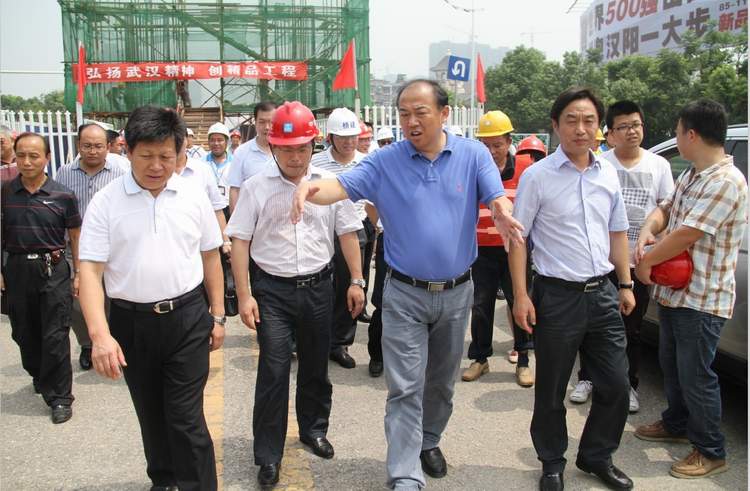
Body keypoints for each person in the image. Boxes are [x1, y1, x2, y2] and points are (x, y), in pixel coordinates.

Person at [290, 79, 521, 489]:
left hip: (456, 294)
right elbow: (339, 186)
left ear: (444, 113)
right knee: (405, 388)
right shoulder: (386, 160)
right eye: (404, 114)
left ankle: (429, 440)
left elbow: (495, 195)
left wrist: (501, 209)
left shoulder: (472, 155)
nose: (411, 121)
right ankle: (404, 473)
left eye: (420, 112)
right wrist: (309, 187)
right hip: (404, 294)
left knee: (441, 385)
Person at [78, 106, 225, 491]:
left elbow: (211, 255)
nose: (156, 166)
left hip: (187, 319)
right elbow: (90, 272)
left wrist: (218, 314)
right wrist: (100, 336)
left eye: (165, 156)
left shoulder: (192, 196)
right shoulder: (106, 202)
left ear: (179, 153)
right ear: (127, 151)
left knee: (185, 417)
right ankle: (163, 480)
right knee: (151, 414)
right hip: (132, 323)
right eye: (146, 156)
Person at [226, 101, 364, 488]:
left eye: (302, 148)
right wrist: (245, 295)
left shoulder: (328, 184)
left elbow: (347, 232)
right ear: (272, 146)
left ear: (313, 146)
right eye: (287, 149)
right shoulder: (256, 187)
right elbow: (240, 241)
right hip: (273, 292)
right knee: (273, 371)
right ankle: (268, 454)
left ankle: (313, 429)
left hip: (319, 288)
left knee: (316, 365)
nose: (295, 157)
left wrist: (356, 279)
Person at [509, 87, 635, 491]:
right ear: (556, 125)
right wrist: (521, 296)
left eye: (589, 121)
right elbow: (518, 239)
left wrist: (626, 283)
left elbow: (617, 231)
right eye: (571, 120)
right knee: (551, 388)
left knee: (616, 384)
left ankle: (597, 455)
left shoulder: (608, 173)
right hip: (557, 296)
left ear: (599, 127)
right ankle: (551, 461)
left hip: (602, 293)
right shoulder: (538, 176)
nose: (581, 129)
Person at [634, 99, 747, 479]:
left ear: (692, 135)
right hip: (675, 293)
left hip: (701, 299)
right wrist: (647, 230)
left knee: (696, 375)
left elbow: (686, 234)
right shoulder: (694, 175)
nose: (677, 137)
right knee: (673, 366)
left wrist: (646, 261)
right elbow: (666, 209)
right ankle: (677, 423)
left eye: (678, 131)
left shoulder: (726, 182)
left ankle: (711, 450)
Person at [570, 100, 674, 413]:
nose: (632, 132)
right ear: (611, 134)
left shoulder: (659, 166)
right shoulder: (600, 165)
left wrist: (656, 250)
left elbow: (666, 211)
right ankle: (587, 378)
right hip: (600, 264)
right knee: (592, 325)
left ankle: (629, 384)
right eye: (624, 127)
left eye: (636, 125)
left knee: (632, 328)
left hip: (638, 264)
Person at [1, 132, 81, 424]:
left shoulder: (63, 195)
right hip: (17, 270)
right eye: (21, 155)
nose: (27, 161)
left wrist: (79, 273)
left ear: (47, 158)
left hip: (53, 270)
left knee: (55, 334)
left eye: (34, 155)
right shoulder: (5, 192)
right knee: (24, 332)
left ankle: (60, 397)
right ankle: (39, 373)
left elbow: (75, 236)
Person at [462, 110, 535, 387]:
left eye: (497, 144)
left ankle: (524, 359)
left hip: (515, 249)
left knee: (520, 300)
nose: (492, 151)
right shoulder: (473, 170)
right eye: (486, 145)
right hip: (481, 250)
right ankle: (480, 358)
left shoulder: (526, 169)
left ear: (509, 141)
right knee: (480, 305)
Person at [55, 123, 126, 371]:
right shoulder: (64, 173)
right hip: (76, 246)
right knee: (78, 300)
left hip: (113, 246)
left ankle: (115, 341)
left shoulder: (121, 171)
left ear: (108, 147)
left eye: (98, 146)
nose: (93, 151)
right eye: (87, 146)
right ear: (78, 146)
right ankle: (87, 344)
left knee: (114, 296)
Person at [310, 107, 372, 368]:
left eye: (353, 137)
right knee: (321, 286)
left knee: (352, 285)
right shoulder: (316, 163)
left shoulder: (368, 162)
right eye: (343, 137)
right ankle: (314, 339)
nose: (349, 142)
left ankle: (340, 342)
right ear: (331, 137)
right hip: (324, 229)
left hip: (358, 228)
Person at [227, 102, 276, 212]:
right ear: (255, 122)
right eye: (262, 122)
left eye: (271, 122)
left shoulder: (287, 151)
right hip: (251, 216)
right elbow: (235, 189)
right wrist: (235, 220)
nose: (267, 127)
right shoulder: (241, 152)